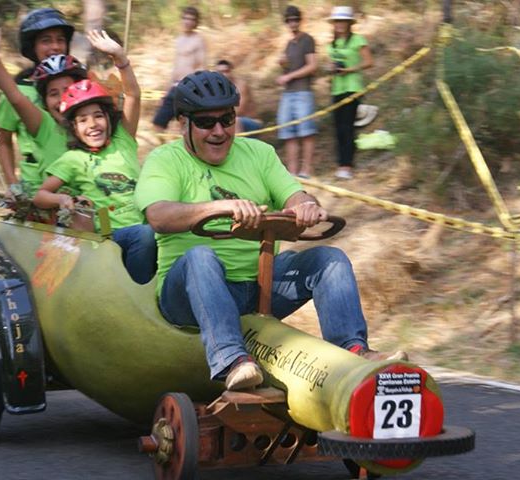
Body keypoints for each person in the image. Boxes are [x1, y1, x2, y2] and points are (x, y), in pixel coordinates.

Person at [135, 71, 406, 391]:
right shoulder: (166, 160)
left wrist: (305, 205)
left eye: (227, 119)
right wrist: (219, 208)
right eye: (207, 123)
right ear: (184, 123)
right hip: (188, 293)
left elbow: (295, 194)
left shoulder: (259, 154)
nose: (219, 131)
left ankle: (353, 351)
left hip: (258, 283)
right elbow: (158, 216)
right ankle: (232, 359)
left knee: (328, 259)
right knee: (200, 257)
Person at [32, 75, 156, 284]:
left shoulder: (123, 141)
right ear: (73, 128)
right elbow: (40, 196)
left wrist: (121, 60)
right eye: (82, 120)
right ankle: (136, 291)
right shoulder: (72, 159)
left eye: (98, 116)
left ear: (108, 118)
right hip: (109, 237)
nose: (92, 124)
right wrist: (61, 200)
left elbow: (133, 94)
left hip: (148, 229)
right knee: (144, 235)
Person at [0, 8, 74, 195]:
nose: (55, 46)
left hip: (78, 183)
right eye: (46, 40)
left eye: (60, 40)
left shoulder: (80, 84)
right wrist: (13, 184)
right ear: (32, 47)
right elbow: (4, 142)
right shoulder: (19, 92)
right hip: (35, 187)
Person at [326, 6, 373, 180]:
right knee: (338, 127)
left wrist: (350, 70)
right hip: (337, 88)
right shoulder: (332, 44)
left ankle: (347, 165)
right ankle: (341, 164)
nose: (340, 24)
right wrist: (331, 69)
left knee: (347, 126)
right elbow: (333, 65)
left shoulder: (358, 40)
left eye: (343, 21)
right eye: (337, 21)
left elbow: (369, 62)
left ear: (349, 23)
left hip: (352, 88)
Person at [276, 5, 318, 179]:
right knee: (288, 132)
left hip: (303, 92)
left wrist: (289, 75)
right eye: (289, 20)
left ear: (300, 20)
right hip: (288, 92)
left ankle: (306, 170)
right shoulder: (288, 44)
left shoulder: (307, 39)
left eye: (295, 19)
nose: (292, 23)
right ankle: (292, 172)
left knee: (306, 131)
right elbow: (288, 69)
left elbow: (313, 66)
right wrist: (283, 65)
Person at [152, 6, 206, 135]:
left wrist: (197, 89)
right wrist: (167, 89)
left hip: (190, 86)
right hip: (175, 85)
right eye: (185, 18)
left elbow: (201, 66)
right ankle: (165, 153)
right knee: (158, 123)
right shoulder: (179, 40)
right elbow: (176, 66)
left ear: (196, 22)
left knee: (188, 125)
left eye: (192, 19)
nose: (188, 22)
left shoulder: (198, 41)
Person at [215, 59, 262, 135]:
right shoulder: (218, 88)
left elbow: (239, 110)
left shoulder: (241, 86)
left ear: (231, 71)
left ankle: (237, 146)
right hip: (230, 121)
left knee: (235, 121)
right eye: (220, 72)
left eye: (226, 71)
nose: (223, 74)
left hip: (250, 122)